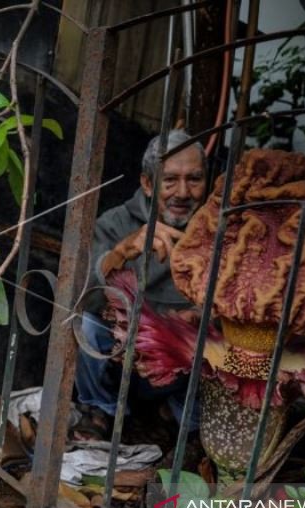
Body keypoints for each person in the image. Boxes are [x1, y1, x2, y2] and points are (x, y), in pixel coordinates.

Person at [73, 129, 207, 439]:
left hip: (183, 366)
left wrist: (195, 319)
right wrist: (120, 252)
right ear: (147, 184)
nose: (183, 192)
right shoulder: (115, 223)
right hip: (123, 363)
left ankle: (179, 424)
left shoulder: (216, 230)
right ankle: (98, 410)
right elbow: (82, 297)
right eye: (169, 180)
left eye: (195, 179)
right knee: (86, 324)